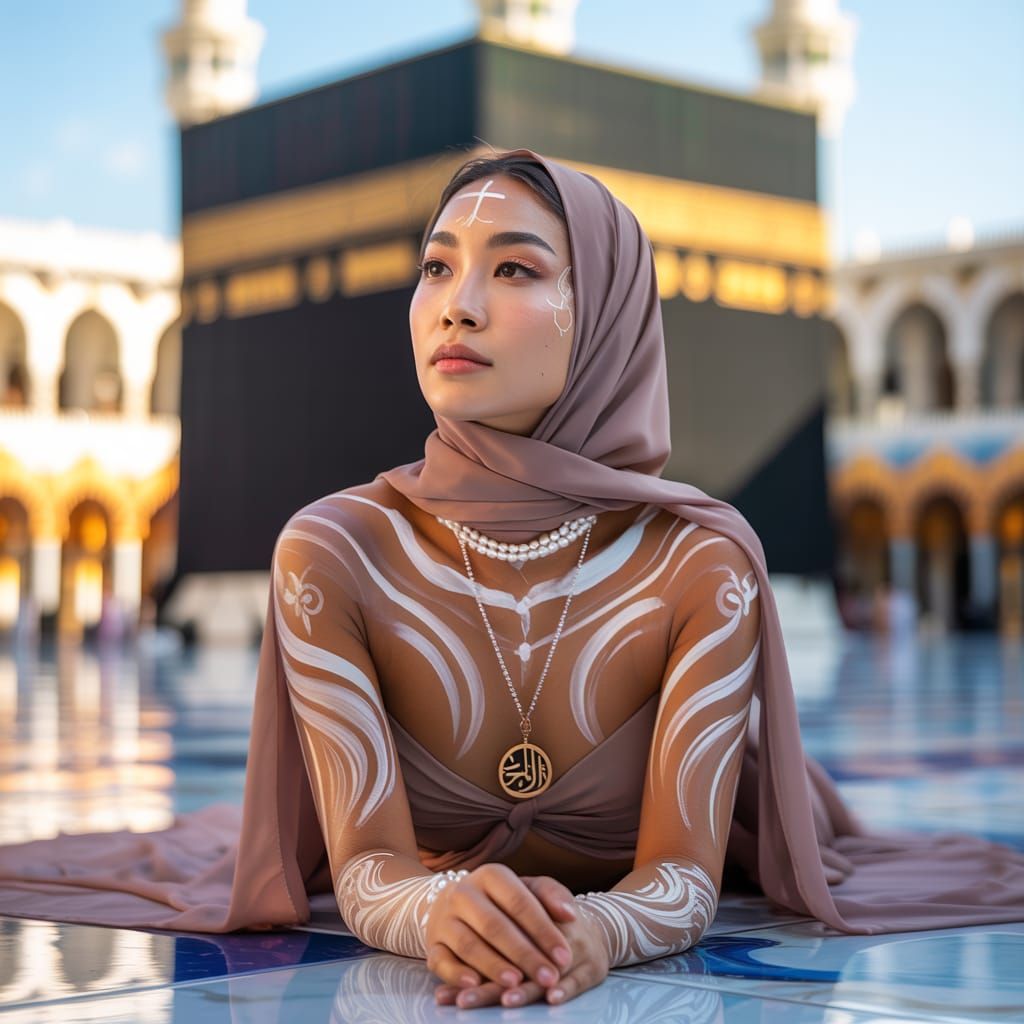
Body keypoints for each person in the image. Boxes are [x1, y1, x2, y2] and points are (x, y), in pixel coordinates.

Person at [1, 149, 1022, 1012]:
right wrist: (431, 910)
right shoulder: (334, 552)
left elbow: (679, 876)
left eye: (517, 270)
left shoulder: (696, 564)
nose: (460, 307)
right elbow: (365, 869)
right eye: (436, 268)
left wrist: (600, 933)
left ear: (607, 316)